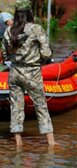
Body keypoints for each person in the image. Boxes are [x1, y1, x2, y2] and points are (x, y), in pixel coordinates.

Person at [1, 0, 55, 145]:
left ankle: (18, 144)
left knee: (16, 108)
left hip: (14, 72)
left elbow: (5, 55)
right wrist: (42, 57)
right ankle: (51, 144)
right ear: (29, 12)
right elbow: (46, 52)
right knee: (41, 107)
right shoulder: (36, 29)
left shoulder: (9, 30)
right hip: (32, 72)